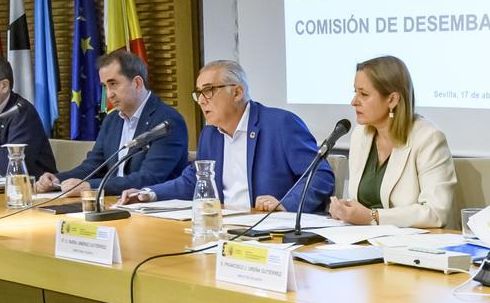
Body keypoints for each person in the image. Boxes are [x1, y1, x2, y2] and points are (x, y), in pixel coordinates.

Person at [119, 60, 333, 211]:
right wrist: (149, 194)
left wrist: (286, 204)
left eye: (209, 90)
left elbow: (320, 176)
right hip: (224, 227)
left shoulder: (280, 124)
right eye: (199, 93)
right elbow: (194, 178)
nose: (202, 100)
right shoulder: (210, 134)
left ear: (237, 92)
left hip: (269, 231)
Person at [34, 50, 188, 197]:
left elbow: (148, 178)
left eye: (113, 84)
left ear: (137, 83)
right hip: (112, 202)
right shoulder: (112, 120)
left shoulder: (167, 122)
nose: (109, 94)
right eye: (104, 87)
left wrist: (90, 186)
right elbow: (93, 167)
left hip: (152, 207)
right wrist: (55, 179)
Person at [328, 55, 456, 228]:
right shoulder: (360, 135)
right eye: (355, 92)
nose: (354, 102)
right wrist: (345, 210)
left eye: (363, 94)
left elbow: (435, 213)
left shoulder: (429, 138)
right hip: (364, 239)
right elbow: (361, 205)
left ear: (392, 100)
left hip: (408, 246)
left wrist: (372, 216)